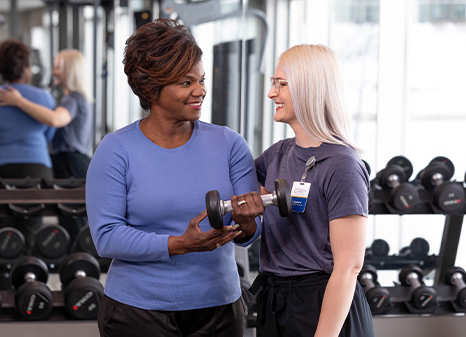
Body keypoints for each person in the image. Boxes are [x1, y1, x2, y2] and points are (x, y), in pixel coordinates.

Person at [85, 18, 261, 337]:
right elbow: (107, 236)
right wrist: (178, 244)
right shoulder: (116, 150)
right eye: (185, 83)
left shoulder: (229, 144)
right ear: (152, 88)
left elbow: (250, 230)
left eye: (202, 80)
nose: (200, 91)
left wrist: (248, 222)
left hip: (219, 308)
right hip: (137, 311)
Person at [230, 44, 375, 336]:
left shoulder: (342, 164)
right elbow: (237, 197)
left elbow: (349, 267)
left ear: (308, 88)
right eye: (273, 84)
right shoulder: (278, 155)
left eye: (280, 84)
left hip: (322, 302)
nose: (272, 93)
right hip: (276, 299)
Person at [0, 49, 93, 241]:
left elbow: (55, 120)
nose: (53, 72)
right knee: (68, 222)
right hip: (67, 162)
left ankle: (79, 267)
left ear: (70, 70)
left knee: (75, 225)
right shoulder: (71, 98)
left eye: (57, 67)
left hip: (71, 163)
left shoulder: (73, 99)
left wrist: (18, 101)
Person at [0, 38, 56, 250]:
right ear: (27, 68)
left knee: (3, 234)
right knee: (31, 233)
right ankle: (30, 278)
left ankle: (0, 278)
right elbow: (49, 136)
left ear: (0, 70)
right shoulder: (44, 98)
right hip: (35, 167)